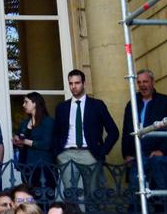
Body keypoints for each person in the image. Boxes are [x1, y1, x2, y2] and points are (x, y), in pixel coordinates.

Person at [51, 70, 119, 204]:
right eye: (70, 83)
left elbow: (113, 131)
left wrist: (101, 151)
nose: (73, 86)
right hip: (67, 154)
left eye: (77, 83)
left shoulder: (97, 105)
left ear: (84, 83)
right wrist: (57, 153)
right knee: (71, 196)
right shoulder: (62, 107)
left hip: (89, 153)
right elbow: (56, 133)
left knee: (92, 195)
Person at [121, 69, 167, 213]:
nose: (142, 85)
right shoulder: (132, 103)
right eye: (139, 82)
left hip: (159, 156)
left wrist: (162, 150)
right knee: (136, 197)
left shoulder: (166, 101)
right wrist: (127, 154)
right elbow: (126, 131)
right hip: (137, 157)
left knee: (162, 194)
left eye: (145, 81)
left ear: (153, 82)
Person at [13, 92, 55, 198]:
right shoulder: (24, 123)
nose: (23, 105)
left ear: (35, 103)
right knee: (29, 199)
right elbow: (20, 140)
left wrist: (26, 141)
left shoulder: (48, 122)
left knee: (44, 199)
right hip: (26, 166)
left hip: (43, 166)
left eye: (26, 102)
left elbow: (47, 144)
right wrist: (17, 141)